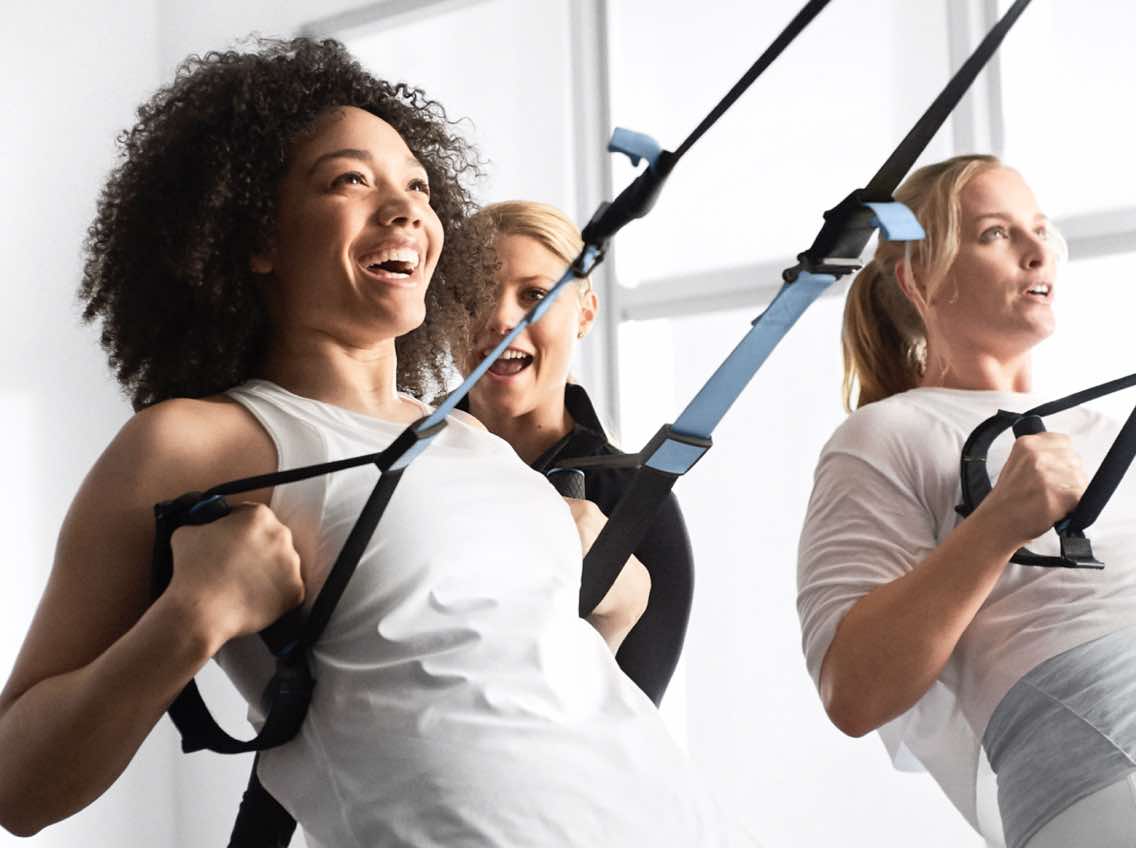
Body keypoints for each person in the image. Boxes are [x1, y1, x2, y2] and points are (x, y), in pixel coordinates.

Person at [0, 39, 754, 847]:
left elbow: (506, 702)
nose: (405, 210)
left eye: (418, 187)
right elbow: (19, 788)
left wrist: (610, 611)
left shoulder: (469, 440)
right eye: (351, 180)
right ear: (259, 235)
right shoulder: (195, 442)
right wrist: (188, 620)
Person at [797, 153, 1136, 848]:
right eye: (996, 234)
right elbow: (854, 691)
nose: (1039, 251)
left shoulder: (1110, 432)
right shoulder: (887, 434)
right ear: (919, 278)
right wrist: (995, 527)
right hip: (1101, 769)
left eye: (1041, 230)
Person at [456, 200, 694, 705]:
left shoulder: (639, 505)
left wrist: (614, 616)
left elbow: (631, 726)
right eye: (474, 293)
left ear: (584, 314)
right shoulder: (386, 460)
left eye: (535, 295)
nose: (500, 318)